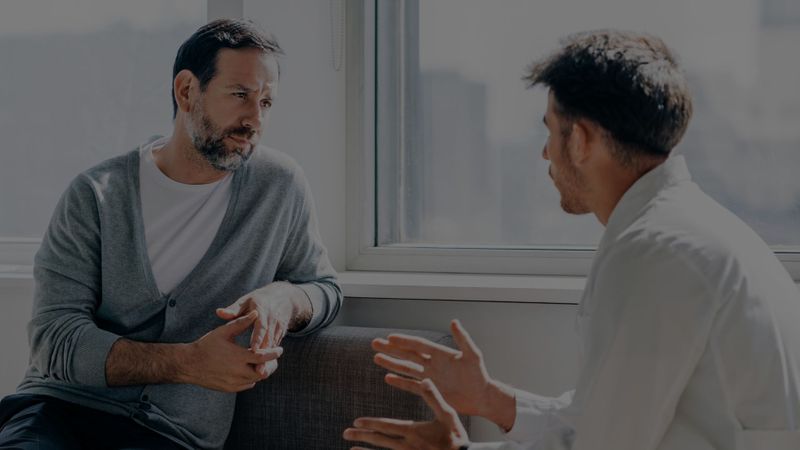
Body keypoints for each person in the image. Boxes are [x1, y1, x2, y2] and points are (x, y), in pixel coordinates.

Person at [344, 29, 800, 450]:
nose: (545, 151)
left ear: (580, 140)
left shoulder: (655, 252)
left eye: (549, 129)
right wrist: (490, 399)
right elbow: (604, 418)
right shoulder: (689, 230)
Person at [0, 19, 342, 450]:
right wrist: (185, 363)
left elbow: (324, 288)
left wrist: (284, 298)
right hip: (57, 412)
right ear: (186, 91)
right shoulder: (97, 194)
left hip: (172, 434)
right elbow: (54, 341)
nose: (255, 119)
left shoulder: (278, 185)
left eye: (267, 102)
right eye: (240, 95)